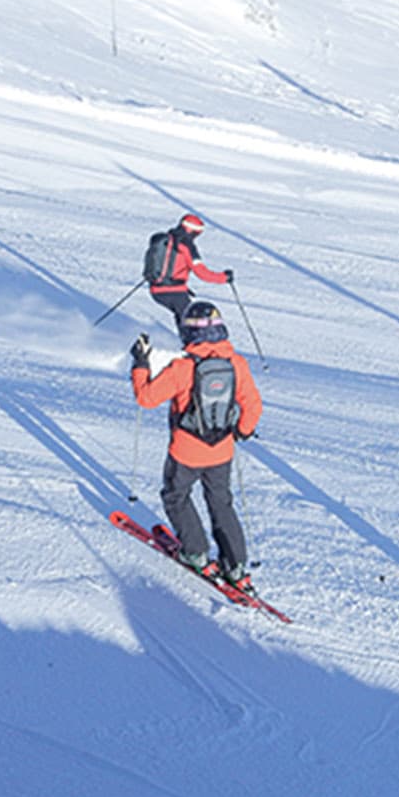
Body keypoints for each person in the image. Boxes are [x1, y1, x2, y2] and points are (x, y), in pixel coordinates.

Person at [130, 301, 262, 590]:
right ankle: (237, 567)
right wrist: (242, 431)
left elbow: (146, 398)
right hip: (222, 450)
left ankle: (196, 553)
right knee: (221, 503)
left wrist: (141, 364)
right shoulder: (237, 364)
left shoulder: (183, 368)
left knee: (176, 496)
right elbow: (253, 405)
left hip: (186, 451)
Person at [146, 214, 232, 330]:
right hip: (174, 291)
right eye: (197, 233)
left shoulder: (167, 240)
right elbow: (202, 273)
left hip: (156, 289)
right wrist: (224, 278)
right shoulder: (186, 245)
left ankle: (182, 342)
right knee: (192, 323)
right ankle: (190, 346)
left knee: (183, 318)